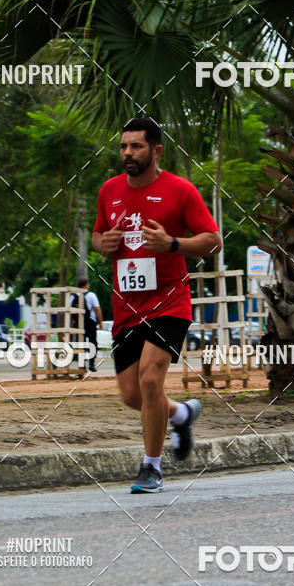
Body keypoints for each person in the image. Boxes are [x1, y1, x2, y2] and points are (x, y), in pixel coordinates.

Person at [92, 116, 222, 493]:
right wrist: (103, 244)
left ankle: (151, 468)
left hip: (169, 302)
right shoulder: (109, 190)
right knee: (134, 395)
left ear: (156, 150)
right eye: (123, 146)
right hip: (126, 307)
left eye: (136, 146)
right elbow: (98, 236)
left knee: (151, 379)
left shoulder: (180, 190)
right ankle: (182, 414)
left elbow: (213, 241)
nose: (127, 153)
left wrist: (173, 244)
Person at [74, 278, 103, 372]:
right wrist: (100, 322)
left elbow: (70, 311)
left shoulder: (74, 296)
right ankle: (91, 364)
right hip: (90, 321)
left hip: (79, 323)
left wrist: (72, 323)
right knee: (93, 342)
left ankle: (82, 366)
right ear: (86, 285)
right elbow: (97, 308)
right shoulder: (91, 295)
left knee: (80, 344)